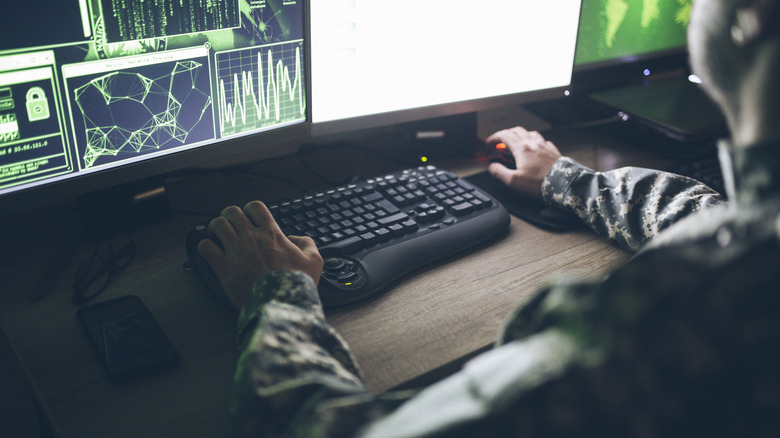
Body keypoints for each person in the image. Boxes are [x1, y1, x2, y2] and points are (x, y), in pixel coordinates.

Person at [197, 0, 780, 435]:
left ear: (745, 17)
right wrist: (564, 178)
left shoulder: (673, 324)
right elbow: (711, 217)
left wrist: (275, 295)